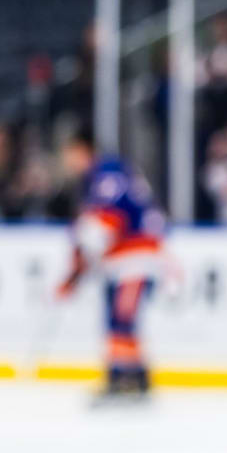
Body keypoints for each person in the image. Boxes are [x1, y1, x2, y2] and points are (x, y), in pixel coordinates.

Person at [55, 133, 165, 400]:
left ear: (82, 149)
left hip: (135, 258)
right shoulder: (98, 177)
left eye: (70, 154)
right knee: (116, 318)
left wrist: (77, 267)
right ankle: (131, 375)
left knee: (122, 318)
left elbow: (109, 220)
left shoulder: (107, 173)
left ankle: (126, 377)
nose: (68, 161)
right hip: (120, 261)